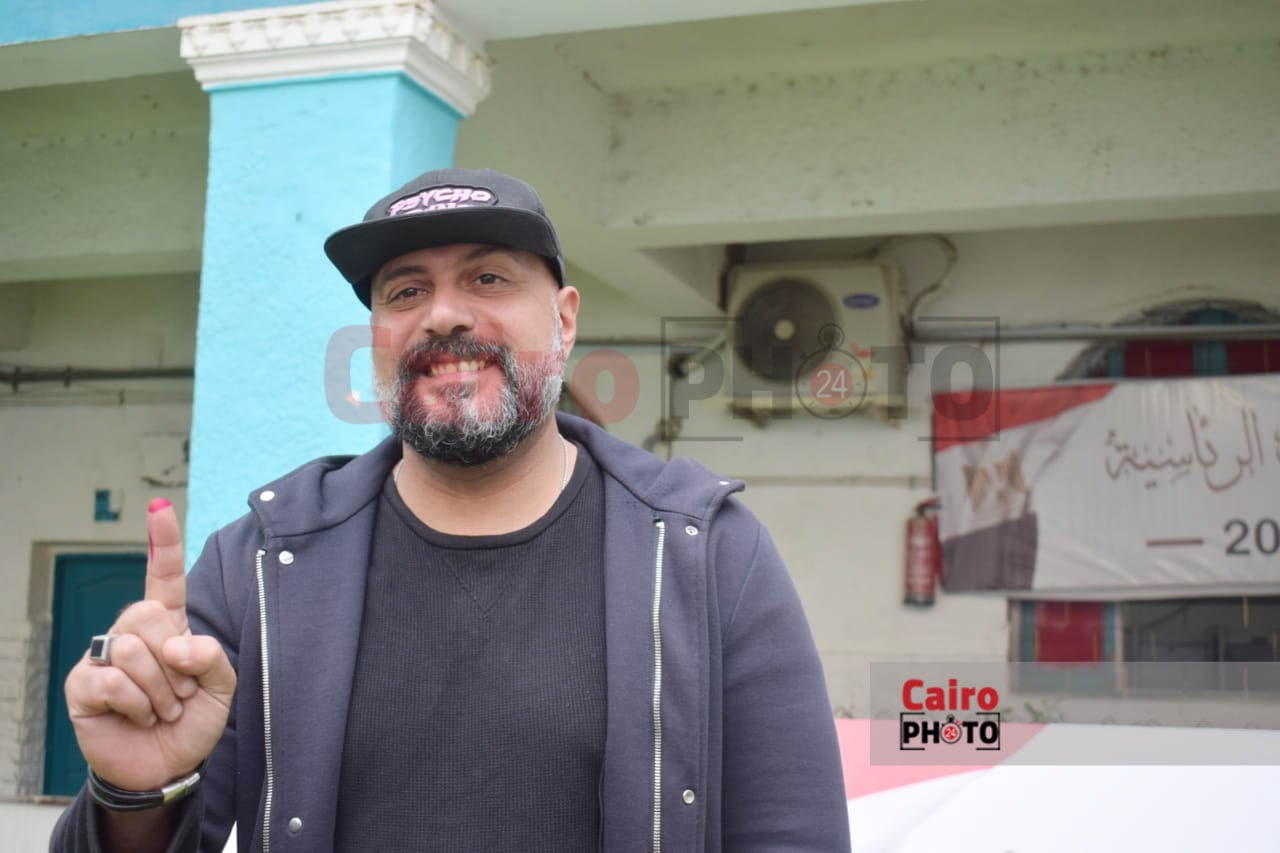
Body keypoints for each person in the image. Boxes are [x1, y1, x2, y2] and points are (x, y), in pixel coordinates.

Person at [51, 168, 851, 852]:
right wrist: (133, 794)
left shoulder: (707, 555)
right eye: (406, 290)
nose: (443, 315)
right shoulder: (258, 566)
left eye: (488, 278)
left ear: (565, 319)